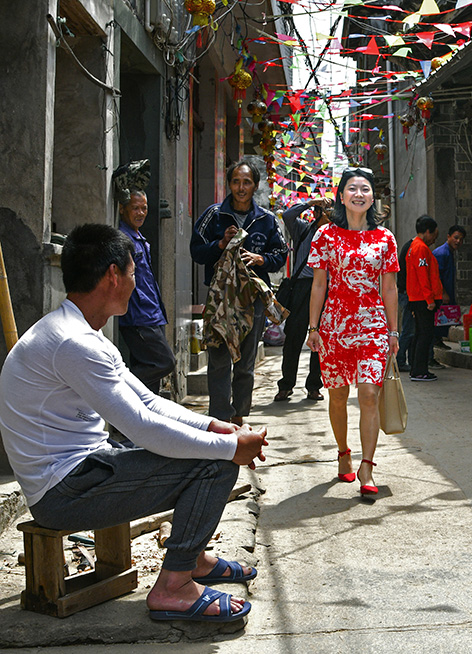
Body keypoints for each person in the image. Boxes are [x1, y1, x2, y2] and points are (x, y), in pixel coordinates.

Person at [0, 224, 265, 623]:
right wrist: (230, 448)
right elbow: (141, 425)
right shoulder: (73, 342)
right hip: (63, 493)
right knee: (216, 465)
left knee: (210, 449)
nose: (134, 281)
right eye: (133, 272)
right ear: (112, 275)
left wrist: (213, 427)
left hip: (85, 469)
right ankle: (174, 584)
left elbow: (147, 400)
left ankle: (192, 557)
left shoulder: (80, 331)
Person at [306, 168, 399, 496]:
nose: (358, 194)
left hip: (373, 326)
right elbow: (318, 284)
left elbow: (389, 288)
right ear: (341, 196)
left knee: (369, 394)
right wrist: (313, 327)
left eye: (365, 189)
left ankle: (367, 467)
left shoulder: (385, 238)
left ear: (373, 197)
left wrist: (393, 332)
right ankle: (344, 453)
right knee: (338, 395)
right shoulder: (325, 236)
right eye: (352, 189)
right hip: (334, 326)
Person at [191, 159, 286, 424]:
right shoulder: (214, 215)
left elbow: (280, 254)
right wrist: (220, 244)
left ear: (255, 185)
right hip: (220, 299)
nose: (241, 187)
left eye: (246, 182)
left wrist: (260, 259)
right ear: (229, 184)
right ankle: (220, 418)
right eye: (236, 181)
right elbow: (195, 251)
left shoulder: (266, 219)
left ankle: (240, 415)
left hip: (252, 299)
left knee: (245, 363)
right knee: (219, 359)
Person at [113, 162, 176, 395]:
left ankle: (141, 425)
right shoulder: (123, 238)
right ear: (123, 209)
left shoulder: (139, 238)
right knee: (164, 363)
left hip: (152, 313)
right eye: (135, 208)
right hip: (138, 316)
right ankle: (118, 390)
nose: (141, 213)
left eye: (144, 208)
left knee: (149, 373)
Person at [273, 197, 329, 403]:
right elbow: (287, 215)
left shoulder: (336, 234)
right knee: (294, 338)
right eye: (324, 211)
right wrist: (311, 202)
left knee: (321, 339)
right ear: (316, 213)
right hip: (302, 287)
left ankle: (314, 386)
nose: (328, 215)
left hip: (326, 289)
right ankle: (286, 385)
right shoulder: (303, 229)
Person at [405, 215, 442, 381]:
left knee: (420, 334)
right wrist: (430, 300)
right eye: (434, 235)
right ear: (427, 231)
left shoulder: (414, 247)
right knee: (424, 335)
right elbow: (423, 276)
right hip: (422, 300)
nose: (434, 239)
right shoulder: (420, 248)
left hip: (417, 298)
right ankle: (420, 370)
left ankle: (416, 368)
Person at [430, 224, 467, 367]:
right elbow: (436, 275)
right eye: (456, 238)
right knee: (436, 322)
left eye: (461, 239)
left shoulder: (449, 252)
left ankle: (438, 340)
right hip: (440, 294)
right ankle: (432, 352)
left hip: (446, 292)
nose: (458, 241)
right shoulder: (441, 253)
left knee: (443, 321)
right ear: (448, 237)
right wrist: (443, 292)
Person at [396, 233, 416, 372]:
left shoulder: (410, 246)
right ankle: (400, 360)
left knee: (409, 329)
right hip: (407, 294)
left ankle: (404, 359)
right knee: (408, 330)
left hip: (406, 293)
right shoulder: (413, 248)